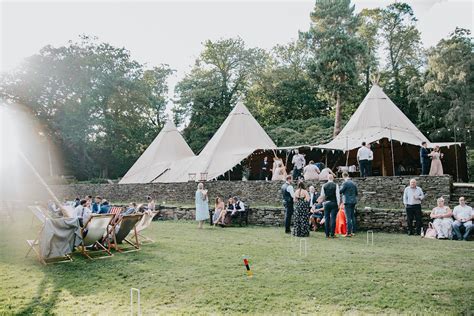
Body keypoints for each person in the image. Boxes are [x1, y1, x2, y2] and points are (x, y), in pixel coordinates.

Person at [320, 174, 340, 238]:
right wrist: (338, 204)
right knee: (333, 218)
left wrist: (323, 203)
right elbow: (338, 195)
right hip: (334, 202)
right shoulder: (335, 185)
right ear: (333, 178)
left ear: (327, 178)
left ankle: (327, 234)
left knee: (326, 218)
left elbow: (322, 196)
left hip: (326, 203)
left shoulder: (324, 185)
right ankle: (332, 234)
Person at [339, 172, 358, 237]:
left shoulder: (345, 183)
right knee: (352, 216)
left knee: (348, 217)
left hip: (347, 201)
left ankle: (348, 233)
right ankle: (353, 231)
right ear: (348, 175)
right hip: (353, 201)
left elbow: (340, 191)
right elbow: (356, 193)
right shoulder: (353, 183)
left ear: (343, 176)